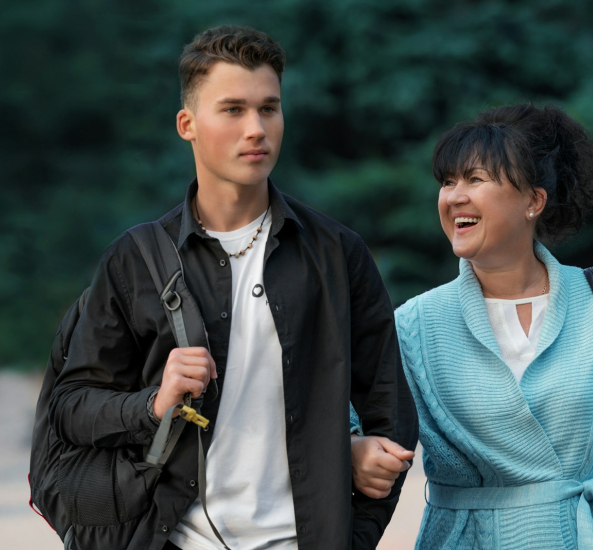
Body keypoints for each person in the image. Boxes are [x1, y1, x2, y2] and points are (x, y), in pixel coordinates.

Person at [49, 25, 418, 550]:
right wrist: (153, 403)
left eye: (269, 108)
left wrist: (351, 538)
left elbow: (392, 417)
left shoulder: (338, 254)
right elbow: (71, 407)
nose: (257, 129)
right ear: (187, 124)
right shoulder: (134, 260)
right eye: (233, 110)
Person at [350, 103, 593, 548]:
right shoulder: (415, 324)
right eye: (448, 181)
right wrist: (352, 448)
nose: (454, 196)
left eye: (475, 179)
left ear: (534, 201)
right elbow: (339, 412)